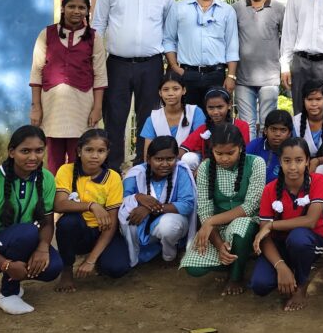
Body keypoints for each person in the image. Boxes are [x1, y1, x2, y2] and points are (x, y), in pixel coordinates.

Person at [92, 0, 175, 170]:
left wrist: (171, 65)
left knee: (148, 118)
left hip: (152, 65)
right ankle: (112, 168)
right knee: (114, 117)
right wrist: (96, 61)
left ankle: (142, 166)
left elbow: (169, 32)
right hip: (117, 64)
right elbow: (98, 25)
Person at [0, 126, 62, 315]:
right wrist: (7, 266)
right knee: (28, 232)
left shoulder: (47, 178)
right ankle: (8, 293)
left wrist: (42, 249)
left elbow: (48, 222)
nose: (33, 157)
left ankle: (14, 281)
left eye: (39, 150)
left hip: (22, 240)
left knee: (53, 267)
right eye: (25, 151)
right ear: (11, 152)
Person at [180, 123, 264, 294]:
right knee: (193, 269)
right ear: (212, 150)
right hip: (217, 229)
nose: (224, 158)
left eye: (230, 153)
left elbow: (250, 207)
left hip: (248, 223)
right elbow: (205, 211)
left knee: (241, 228)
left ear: (240, 148)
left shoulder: (256, 163)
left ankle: (235, 277)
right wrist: (219, 246)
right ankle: (232, 260)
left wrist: (210, 222)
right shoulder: (205, 168)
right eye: (219, 153)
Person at [29, 0, 107, 173]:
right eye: (72, 6)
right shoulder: (47, 34)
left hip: (82, 106)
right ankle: (54, 190)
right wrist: (36, 107)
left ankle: (75, 190)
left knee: (79, 153)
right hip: (52, 105)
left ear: (87, 11)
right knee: (53, 156)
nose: (76, 11)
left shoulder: (94, 37)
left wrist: (97, 108)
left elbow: (100, 75)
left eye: (81, 7)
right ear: (63, 8)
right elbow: (36, 72)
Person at [250, 137, 323, 310]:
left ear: (307, 161)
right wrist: (280, 266)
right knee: (260, 285)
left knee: (298, 238)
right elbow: (265, 237)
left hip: (311, 240)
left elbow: (310, 221)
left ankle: (301, 285)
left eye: (299, 160)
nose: (293, 167)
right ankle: (290, 269)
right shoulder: (270, 189)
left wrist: (271, 225)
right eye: (287, 161)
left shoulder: (318, 180)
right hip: (280, 244)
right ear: (280, 161)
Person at [52, 129, 130, 292]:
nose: (95, 156)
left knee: (116, 268)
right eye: (89, 150)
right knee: (67, 223)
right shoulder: (66, 170)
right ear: (79, 151)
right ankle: (67, 269)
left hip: (103, 231)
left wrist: (91, 260)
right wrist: (92, 205)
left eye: (101, 151)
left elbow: (112, 223)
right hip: (78, 232)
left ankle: (97, 258)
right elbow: (59, 204)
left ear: (107, 153)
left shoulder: (113, 177)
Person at [163, 0, 239, 108]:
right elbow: (168, 40)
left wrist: (231, 76)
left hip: (216, 75)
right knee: (188, 116)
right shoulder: (179, 8)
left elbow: (232, 45)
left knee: (216, 117)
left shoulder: (227, 11)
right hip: (187, 74)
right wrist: (174, 67)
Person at [118, 136, 197, 267]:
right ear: (149, 159)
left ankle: (169, 255)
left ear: (176, 158)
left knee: (169, 226)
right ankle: (137, 253)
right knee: (126, 213)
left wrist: (150, 208)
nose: (165, 164)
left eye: (170, 159)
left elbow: (187, 205)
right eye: (159, 159)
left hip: (171, 225)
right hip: (143, 225)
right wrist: (138, 197)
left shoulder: (181, 172)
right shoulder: (136, 173)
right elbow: (123, 200)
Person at [232, 0, 285, 139]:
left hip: (269, 78)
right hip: (243, 78)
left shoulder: (279, 9)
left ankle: (265, 155)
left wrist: (285, 69)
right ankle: (249, 156)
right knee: (246, 126)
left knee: (267, 125)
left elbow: (286, 41)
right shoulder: (236, 9)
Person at [138, 70, 206, 163]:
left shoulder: (195, 112)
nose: (170, 93)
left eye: (175, 89)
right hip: (163, 163)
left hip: (190, 162)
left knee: (189, 158)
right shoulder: (153, 118)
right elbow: (148, 153)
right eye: (165, 89)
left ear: (184, 90)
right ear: (160, 92)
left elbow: (201, 142)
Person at [178, 87, 249, 171]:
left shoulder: (242, 125)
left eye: (220, 107)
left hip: (234, 164)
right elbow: (184, 148)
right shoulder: (203, 128)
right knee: (188, 158)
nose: (215, 112)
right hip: (209, 168)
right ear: (206, 108)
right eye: (211, 108)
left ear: (229, 105)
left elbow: (244, 152)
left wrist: (204, 166)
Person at [246, 109, 293, 182]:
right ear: (265, 130)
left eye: (283, 130)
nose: (277, 134)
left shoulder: (293, 150)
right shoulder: (255, 145)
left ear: (289, 133)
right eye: (273, 129)